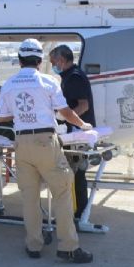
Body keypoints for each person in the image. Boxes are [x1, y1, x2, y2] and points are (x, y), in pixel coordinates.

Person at [0, 38, 94, 263]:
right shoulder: (48, 82)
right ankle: (68, 246)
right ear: (40, 61)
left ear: (20, 60)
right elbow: (66, 112)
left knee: (29, 197)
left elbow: (1, 117)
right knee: (61, 192)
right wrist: (83, 125)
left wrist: (21, 115)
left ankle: (34, 245)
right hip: (45, 142)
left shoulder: (9, 84)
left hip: (21, 143)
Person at [49, 44, 95, 221]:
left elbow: (83, 105)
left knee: (75, 174)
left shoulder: (74, 77)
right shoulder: (68, 76)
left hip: (76, 133)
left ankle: (79, 212)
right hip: (74, 130)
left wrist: (67, 118)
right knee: (74, 173)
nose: (53, 65)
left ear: (61, 60)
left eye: (54, 62)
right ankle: (77, 211)